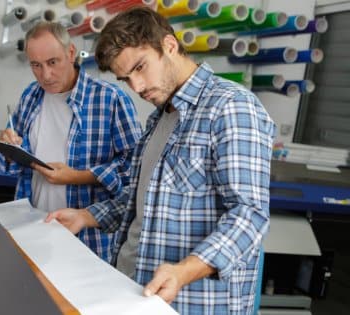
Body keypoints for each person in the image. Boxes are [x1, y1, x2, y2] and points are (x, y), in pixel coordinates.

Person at [45, 7, 275, 314]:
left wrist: (184, 270)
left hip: (190, 302)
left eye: (140, 68)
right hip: (134, 289)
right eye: (126, 78)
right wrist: (86, 216)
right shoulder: (159, 117)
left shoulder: (231, 107)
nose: (137, 87)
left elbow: (250, 215)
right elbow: (144, 198)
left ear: (169, 45)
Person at [0, 21, 142, 262]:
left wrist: (76, 176)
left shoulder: (111, 99)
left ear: (71, 53)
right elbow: (13, 166)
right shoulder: (31, 95)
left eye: (53, 62)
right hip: (34, 226)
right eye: (36, 65)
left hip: (88, 240)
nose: (46, 75)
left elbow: (135, 169)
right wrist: (9, 147)